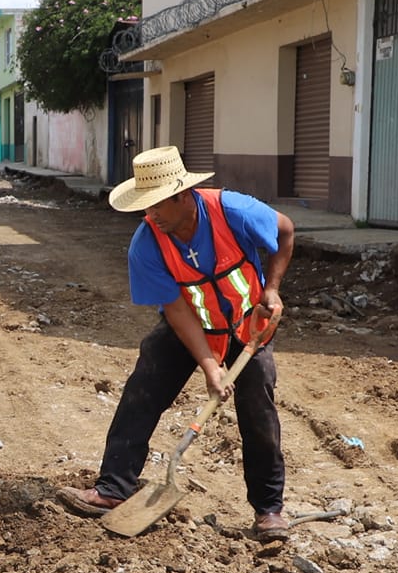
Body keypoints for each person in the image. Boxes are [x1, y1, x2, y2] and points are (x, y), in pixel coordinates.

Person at [60, 146, 294, 540]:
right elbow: (177, 310)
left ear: (182, 196)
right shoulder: (146, 243)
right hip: (193, 324)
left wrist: (271, 289)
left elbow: (285, 231)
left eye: (156, 206)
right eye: (144, 208)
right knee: (144, 386)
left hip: (246, 325)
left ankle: (269, 509)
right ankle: (114, 488)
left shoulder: (233, 211)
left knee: (257, 405)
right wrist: (209, 366)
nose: (149, 216)